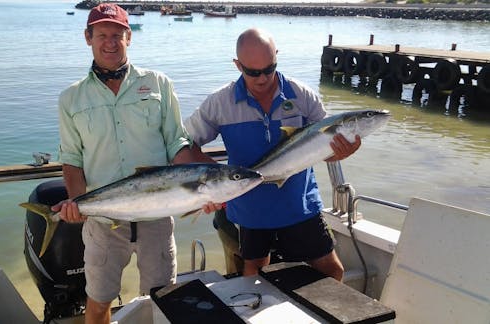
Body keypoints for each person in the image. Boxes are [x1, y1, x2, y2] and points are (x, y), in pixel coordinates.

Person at [53, 4, 218, 323]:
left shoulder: (159, 84)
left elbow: (178, 145)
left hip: (157, 215)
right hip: (102, 221)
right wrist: (76, 203)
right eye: (102, 35)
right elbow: (72, 160)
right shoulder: (70, 98)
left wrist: (204, 190)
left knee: (163, 299)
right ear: (88, 38)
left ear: (129, 37)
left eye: (117, 35)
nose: (110, 42)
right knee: (98, 301)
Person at [185, 28, 362, 280]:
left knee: (333, 271)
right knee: (254, 275)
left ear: (276, 57)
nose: (262, 78)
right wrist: (213, 180)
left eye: (269, 68)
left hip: (299, 206)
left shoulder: (301, 95)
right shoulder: (220, 103)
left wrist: (344, 151)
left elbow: (329, 149)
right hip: (250, 209)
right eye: (252, 72)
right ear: (237, 65)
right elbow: (183, 142)